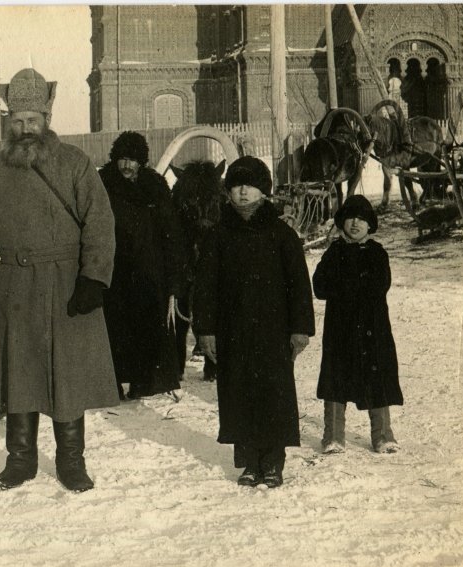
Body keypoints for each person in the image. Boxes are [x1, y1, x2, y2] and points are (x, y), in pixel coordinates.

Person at [0, 68, 118, 493]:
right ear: (8, 123)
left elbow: (99, 224)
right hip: (14, 284)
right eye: (17, 121)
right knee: (20, 373)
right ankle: (20, 460)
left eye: (32, 120)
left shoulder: (75, 163)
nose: (25, 128)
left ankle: (71, 463)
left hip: (67, 284)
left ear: (47, 119)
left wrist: (93, 279)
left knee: (65, 374)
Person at [192, 156, 315, 488]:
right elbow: (204, 288)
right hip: (233, 334)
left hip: (274, 334)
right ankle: (247, 461)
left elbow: (299, 286)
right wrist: (205, 330)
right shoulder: (218, 236)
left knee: (274, 395)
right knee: (238, 394)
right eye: (236, 186)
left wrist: (300, 328)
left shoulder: (282, 235)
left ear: (264, 191)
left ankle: (273, 461)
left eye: (250, 185)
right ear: (228, 192)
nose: (243, 192)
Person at [98, 131, 186, 399]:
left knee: (146, 330)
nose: (127, 165)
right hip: (114, 270)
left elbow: (170, 231)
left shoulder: (155, 186)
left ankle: (143, 383)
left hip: (149, 271)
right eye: (122, 159)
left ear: (141, 162)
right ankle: (111, 384)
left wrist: (173, 275)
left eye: (132, 160)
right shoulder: (102, 184)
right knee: (114, 330)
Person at [312, 195, 403, 454]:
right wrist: (347, 286)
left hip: (373, 329)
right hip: (340, 330)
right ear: (342, 222)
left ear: (370, 226)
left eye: (362, 220)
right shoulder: (333, 253)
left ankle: (383, 435)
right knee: (335, 380)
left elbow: (380, 284)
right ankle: (333, 436)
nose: (355, 224)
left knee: (377, 378)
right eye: (351, 218)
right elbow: (319, 286)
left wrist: (347, 286)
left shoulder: (377, 253)